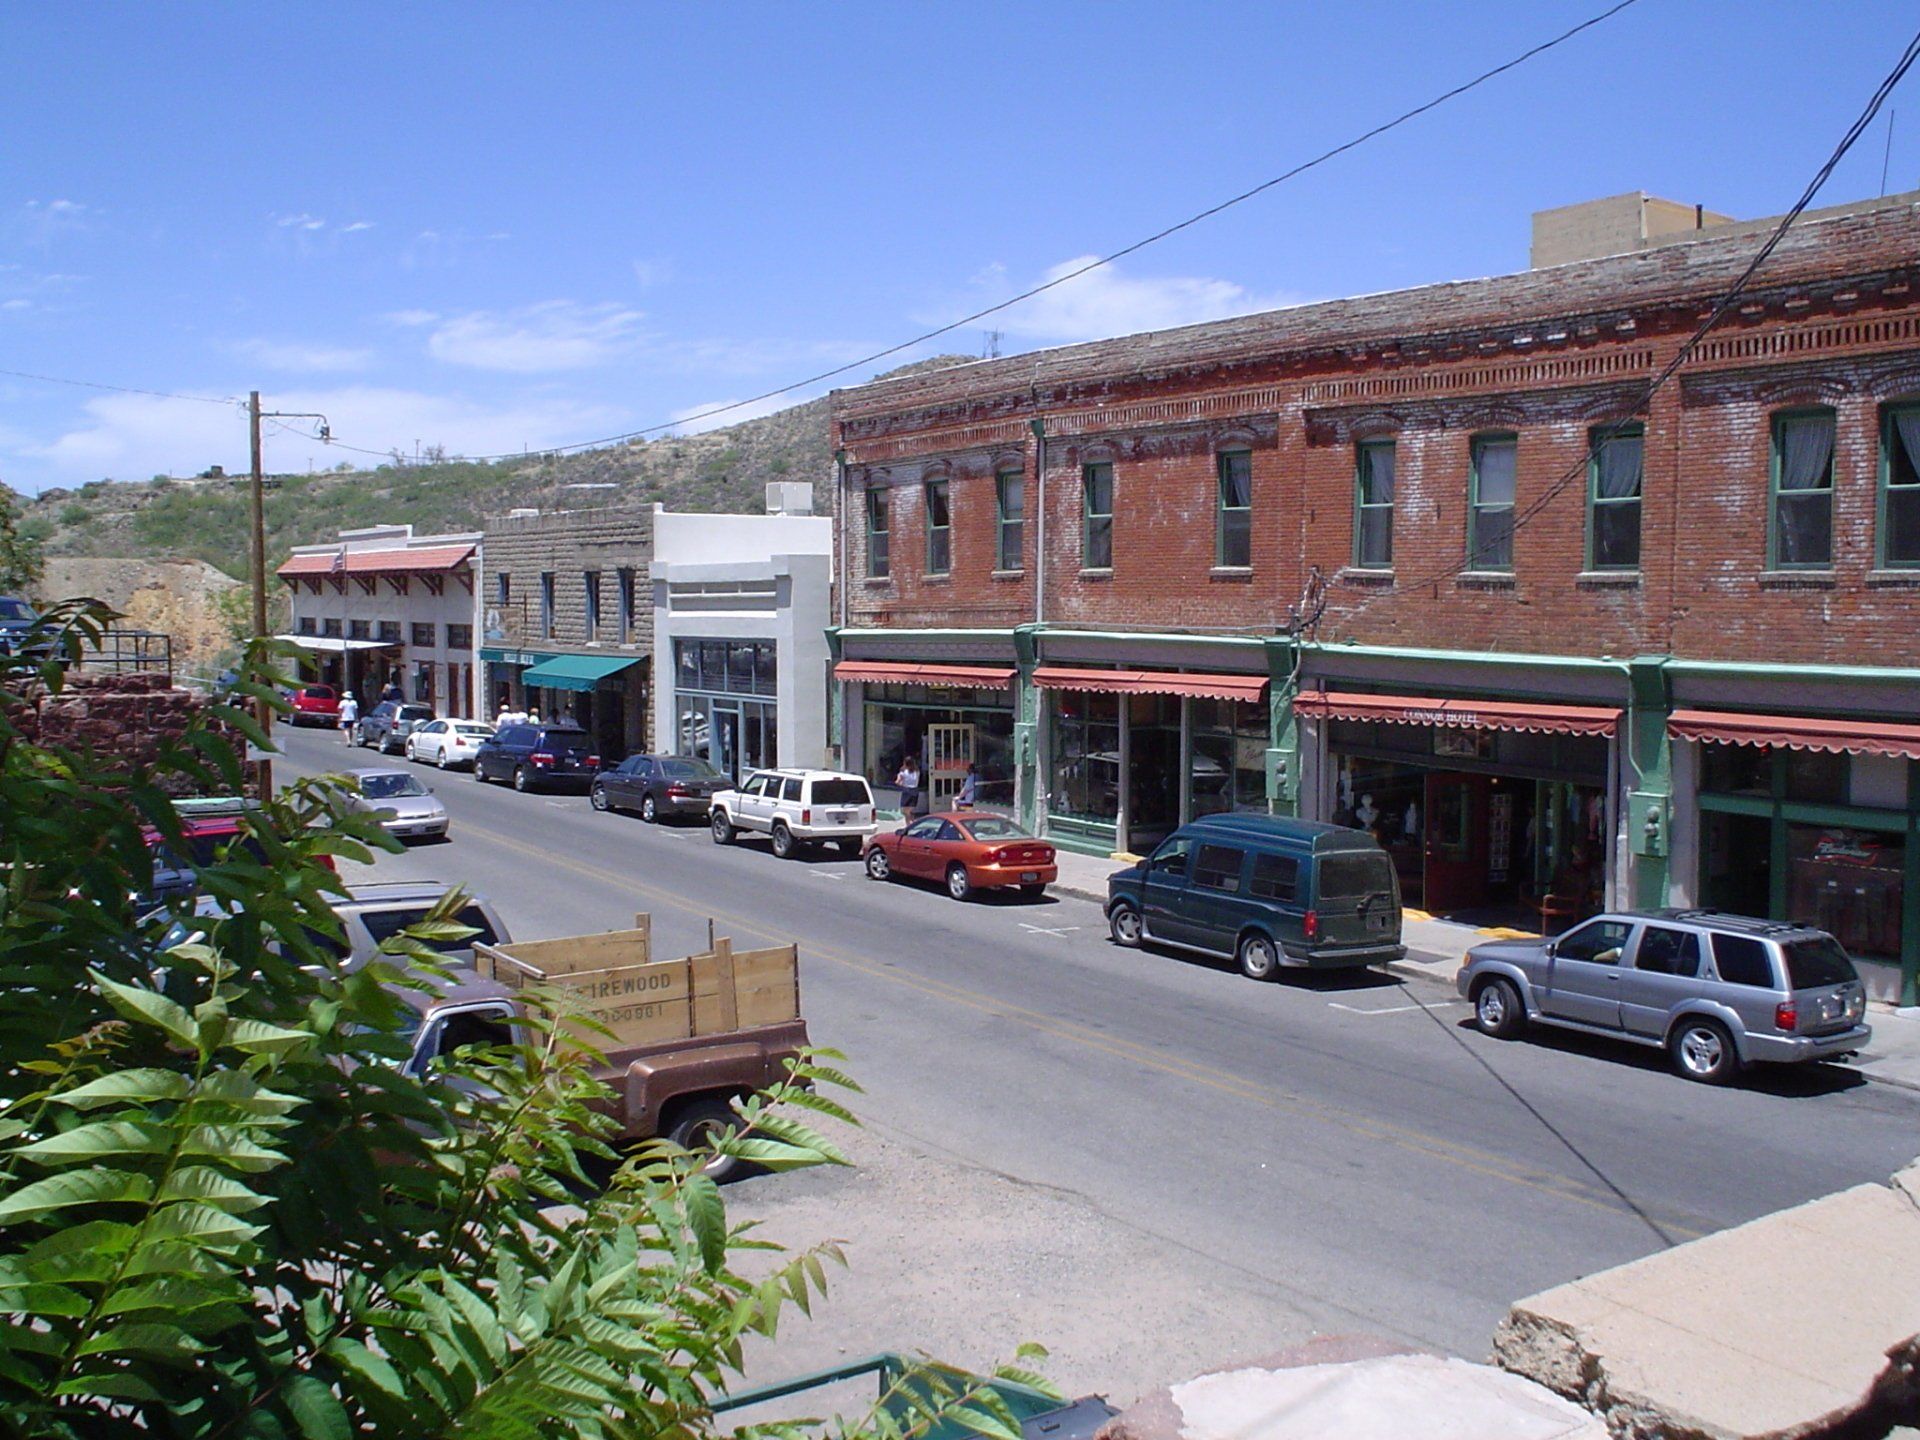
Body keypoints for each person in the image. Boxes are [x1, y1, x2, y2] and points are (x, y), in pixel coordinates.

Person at [894, 755, 923, 824]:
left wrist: (901, 783)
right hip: (915, 791)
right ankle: (912, 821)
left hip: (907, 791)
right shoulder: (917, 771)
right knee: (910, 810)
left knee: (904, 811)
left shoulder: (903, 772)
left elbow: (897, 782)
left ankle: (908, 825)